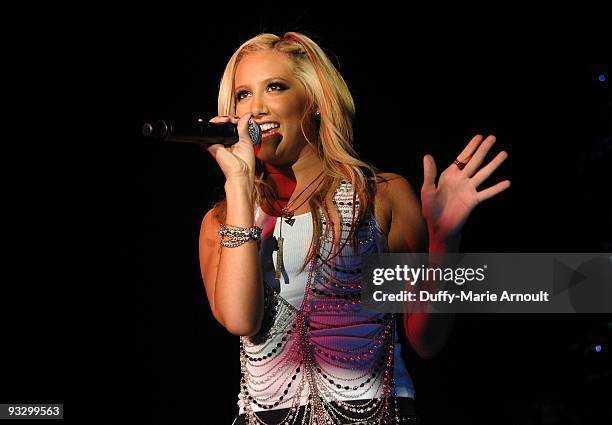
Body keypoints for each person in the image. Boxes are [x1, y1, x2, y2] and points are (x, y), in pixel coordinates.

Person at [199, 32, 510, 425]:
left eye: (274, 87)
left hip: (374, 413)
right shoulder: (221, 221)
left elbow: (425, 339)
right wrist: (240, 186)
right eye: (243, 95)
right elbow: (240, 320)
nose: (255, 109)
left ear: (313, 102)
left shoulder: (380, 197)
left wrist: (444, 239)